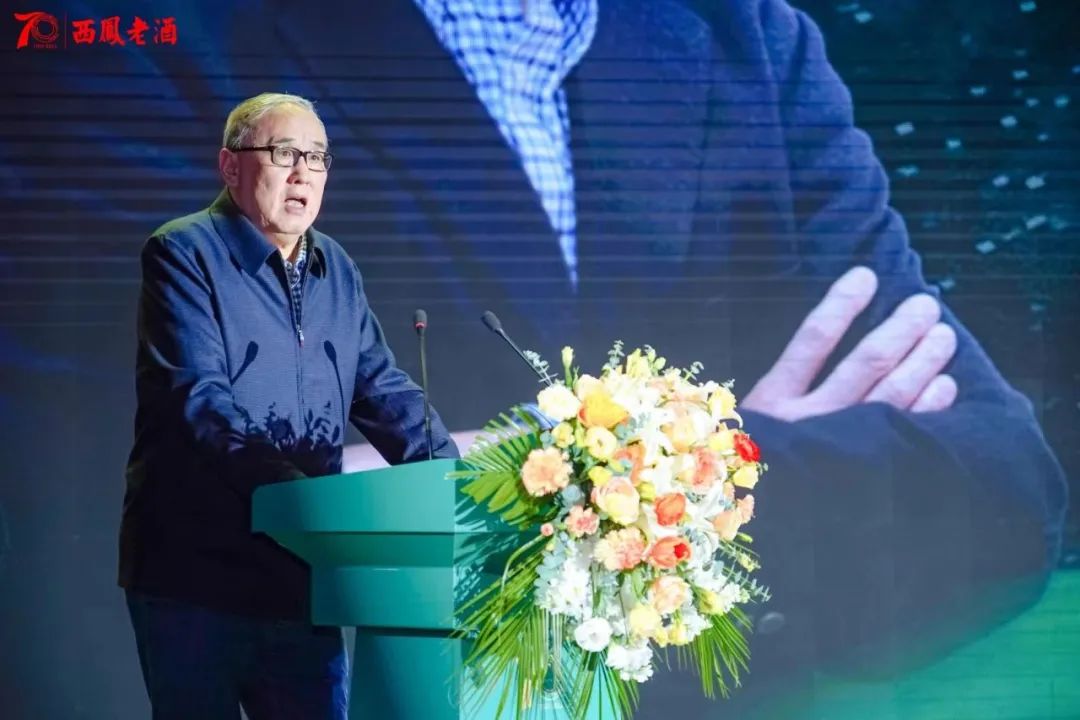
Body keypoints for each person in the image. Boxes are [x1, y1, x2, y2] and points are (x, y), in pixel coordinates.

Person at [306, 0, 1067, 715]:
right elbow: (247, 529)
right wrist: (732, 461)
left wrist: (515, 481)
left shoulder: (750, 36)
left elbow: (1006, 491)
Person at [119, 92, 458, 719]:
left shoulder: (336, 266)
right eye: (283, 153)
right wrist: (300, 502)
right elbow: (199, 403)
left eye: (318, 157)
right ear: (230, 165)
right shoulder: (184, 253)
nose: (303, 172)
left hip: (300, 577)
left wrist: (459, 480)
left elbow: (381, 389)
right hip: (195, 576)